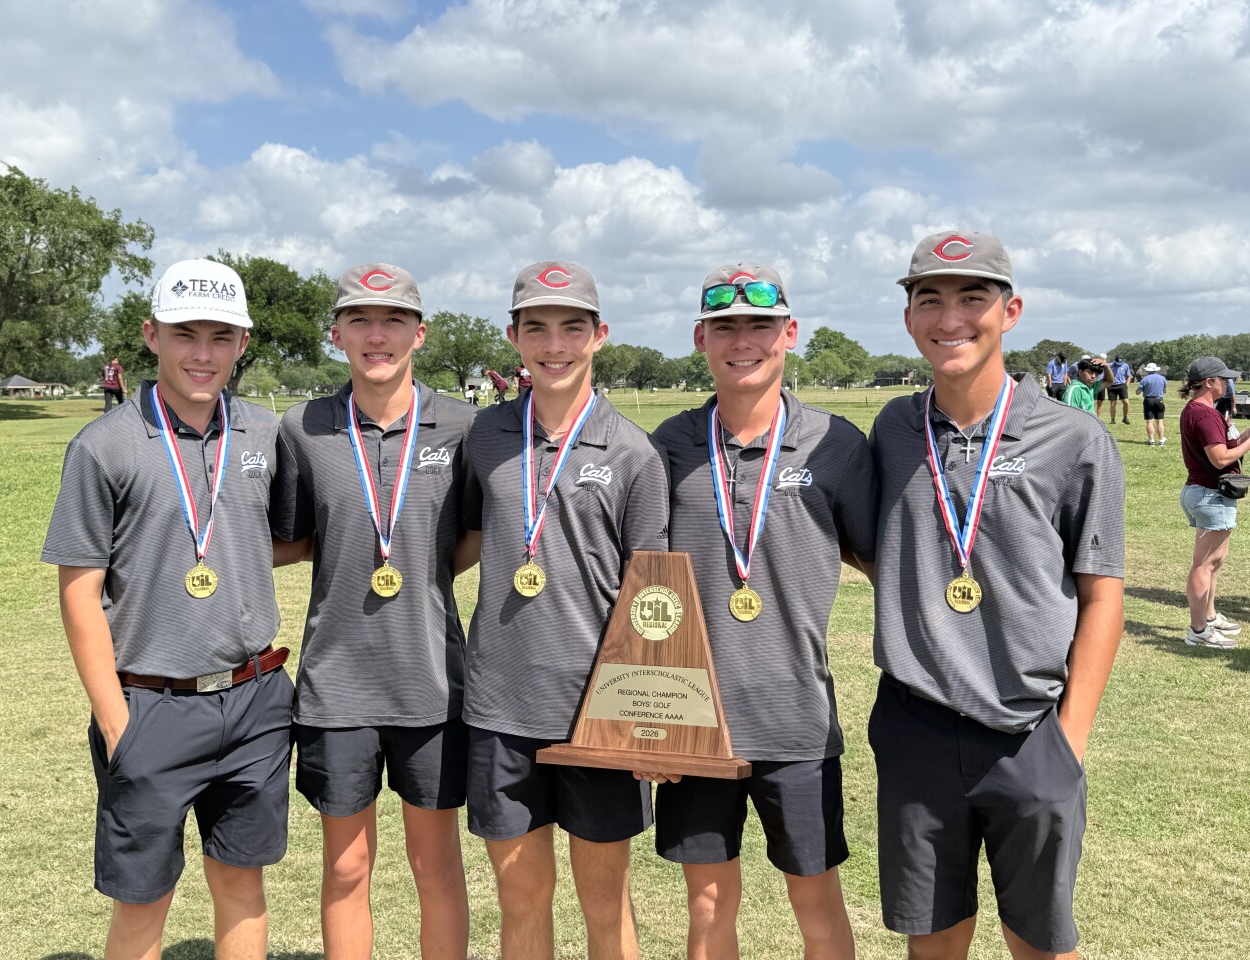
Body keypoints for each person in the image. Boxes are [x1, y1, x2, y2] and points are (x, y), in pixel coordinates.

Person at [868, 231, 1125, 959]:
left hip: (1032, 728)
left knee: (1040, 943)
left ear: (1010, 311)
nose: (951, 317)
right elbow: (871, 542)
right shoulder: (892, 428)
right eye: (930, 299)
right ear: (910, 317)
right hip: (916, 724)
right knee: (933, 941)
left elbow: (1103, 597)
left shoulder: (1073, 438)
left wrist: (1069, 739)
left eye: (972, 297)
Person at [41, 259, 293, 960]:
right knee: (144, 899)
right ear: (152, 335)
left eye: (221, 336)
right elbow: (79, 591)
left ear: (243, 344)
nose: (203, 354)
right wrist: (115, 720)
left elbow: (279, 537)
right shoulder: (104, 445)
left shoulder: (265, 435)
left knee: (242, 882)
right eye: (186, 334)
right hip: (149, 704)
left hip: (254, 701)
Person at [646, 263, 877, 959]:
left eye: (760, 326)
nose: (742, 341)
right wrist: (645, 718)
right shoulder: (668, 446)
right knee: (708, 900)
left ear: (790, 333)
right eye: (725, 328)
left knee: (814, 895)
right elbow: (641, 589)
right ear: (701, 338)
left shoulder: (837, 444)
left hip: (796, 718)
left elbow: (881, 562)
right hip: (695, 720)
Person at [460, 260, 669, 960]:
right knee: (521, 901)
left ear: (599, 335)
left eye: (572, 328)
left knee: (605, 906)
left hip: (599, 714)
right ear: (513, 336)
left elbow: (653, 598)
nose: (555, 345)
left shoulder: (634, 452)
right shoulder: (484, 437)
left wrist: (650, 719)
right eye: (537, 328)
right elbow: (459, 538)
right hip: (499, 708)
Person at [271, 263, 477, 959]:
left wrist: (414, 563)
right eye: (360, 319)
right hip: (338, 688)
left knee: (436, 864)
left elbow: (476, 535)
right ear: (336, 335)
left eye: (393, 320)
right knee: (346, 866)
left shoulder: (463, 426)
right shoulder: (302, 427)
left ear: (420, 333)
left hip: (433, 684)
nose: (377, 334)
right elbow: (296, 537)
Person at [1179, 356, 1250, 648]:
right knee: (1204, 565)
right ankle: (1198, 631)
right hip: (1211, 494)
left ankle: (1208, 616)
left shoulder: (1199, 410)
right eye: (1224, 378)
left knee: (1214, 562)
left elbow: (1226, 446)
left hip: (1204, 492)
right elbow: (1219, 458)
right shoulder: (1205, 414)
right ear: (1209, 382)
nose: (1228, 383)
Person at [1136, 362, 1168, 445]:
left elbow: (1138, 392)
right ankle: (1161, 440)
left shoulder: (1145, 379)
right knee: (1160, 421)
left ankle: (1151, 440)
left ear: (1147, 370)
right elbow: (1165, 391)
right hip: (1159, 399)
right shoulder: (1162, 378)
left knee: (1149, 421)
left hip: (1148, 400)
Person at [1107, 355, 1133, 424]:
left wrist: (1126, 384)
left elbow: (1129, 376)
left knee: (1126, 403)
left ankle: (1125, 418)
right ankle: (1112, 420)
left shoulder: (1125, 366)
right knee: (1113, 404)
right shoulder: (1110, 365)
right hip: (1112, 386)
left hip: (1122, 385)